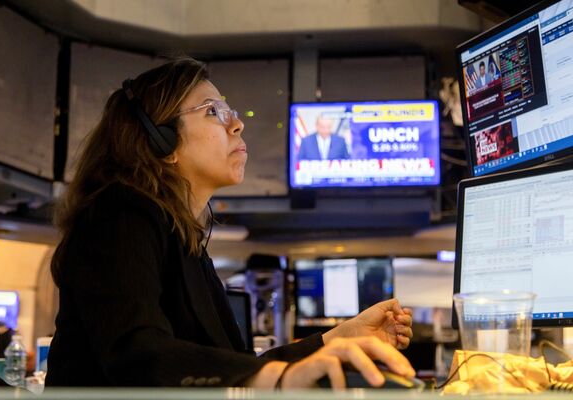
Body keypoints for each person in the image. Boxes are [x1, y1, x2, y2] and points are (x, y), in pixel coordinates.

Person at [45, 56, 415, 389]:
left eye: (230, 111)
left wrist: (338, 338)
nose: (237, 124)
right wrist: (278, 379)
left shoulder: (186, 241)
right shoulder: (119, 213)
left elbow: (238, 367)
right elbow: (137, 352)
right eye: (213, 111)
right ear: (163, 141)